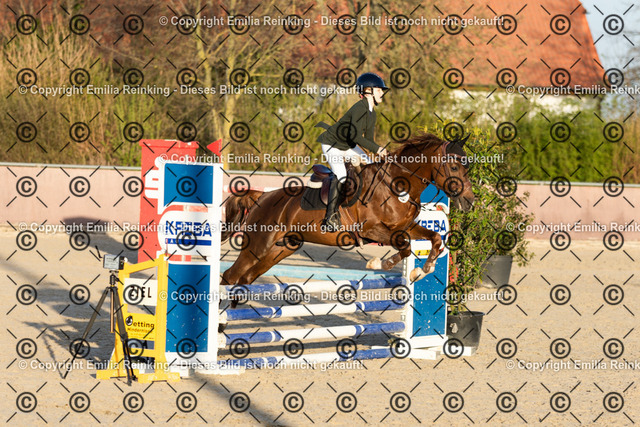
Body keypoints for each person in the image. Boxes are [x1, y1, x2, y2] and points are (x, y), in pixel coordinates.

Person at [317, 72, 389, 232]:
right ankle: (329, 217)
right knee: (341, 175)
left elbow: (368, 139)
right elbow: (355, 136)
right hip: (332, 145)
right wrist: (377, 149)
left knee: (372, 168)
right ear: (368, 91)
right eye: (379, 90)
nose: (382, 93)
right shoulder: (359, 108)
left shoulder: (372, 113)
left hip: (348, 145)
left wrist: (379, 152)